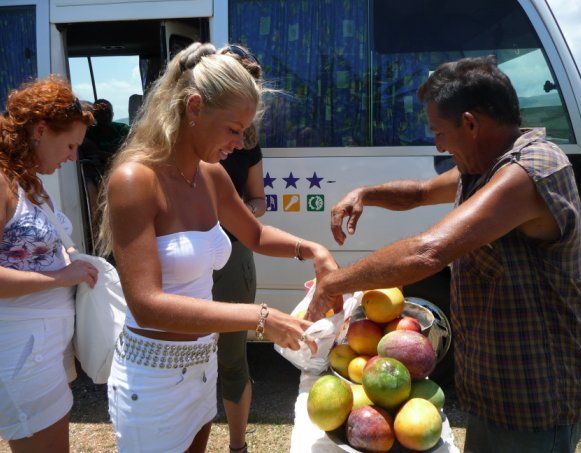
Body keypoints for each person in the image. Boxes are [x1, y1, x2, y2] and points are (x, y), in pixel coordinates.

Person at [309, 56, 581, 452]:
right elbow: (421, 192)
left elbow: (429, 252)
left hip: (538, 396)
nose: (438, 144)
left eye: (439, 132)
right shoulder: (483, 167)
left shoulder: (533, 170)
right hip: (494, 391)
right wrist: (365, 193)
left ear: (470, 124)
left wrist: (334, 282)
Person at [97, 42, 337, 453]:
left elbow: (255, 236)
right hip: (153, 380)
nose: (240, 144)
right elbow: (147, 304)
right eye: (233, 129)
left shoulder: (210, 175)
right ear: (194, 107)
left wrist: (314, 250)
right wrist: (260, 317)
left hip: (202, 365)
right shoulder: (136, 180)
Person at [0, 77, 99, 452]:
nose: (73, 157)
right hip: (21, 350)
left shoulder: (27, 181)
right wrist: (60, 276)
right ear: (40, 130)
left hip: (43, 347)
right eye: (70, 145)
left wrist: (72, 262)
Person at [211, 44, 266, 453]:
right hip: (195, 260)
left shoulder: (247, 144)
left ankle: (237, 446)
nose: (234, 140)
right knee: (188, 358)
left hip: (232, 256)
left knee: (232, 358)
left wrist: (240, 213)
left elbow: (258, 200)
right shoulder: (177, 152)